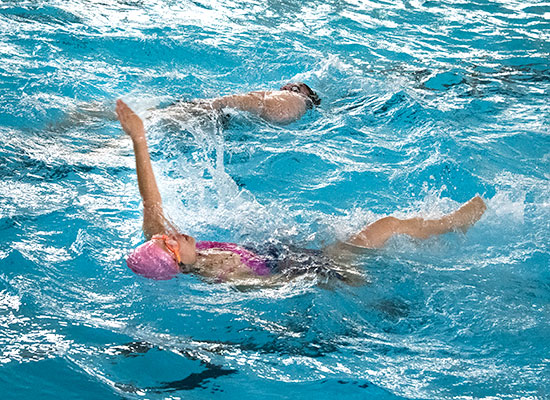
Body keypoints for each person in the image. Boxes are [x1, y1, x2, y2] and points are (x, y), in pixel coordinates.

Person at [116, 99, 486, 283]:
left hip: (293, 251)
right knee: (387, 225)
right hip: (319, 267)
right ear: (177, 262)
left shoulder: (169, 242)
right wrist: (340, 279)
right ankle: (455, 224)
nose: (172, 234)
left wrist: (139, 136)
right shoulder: (226, 274)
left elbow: (151, 200)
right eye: (169, 243)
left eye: (164, 236)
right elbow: (282, 288)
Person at [165, 82, 321, 125]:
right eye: (285, 86)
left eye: (295, 87)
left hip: (223, 115)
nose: (286, 88)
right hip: (230, 122)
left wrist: (218, 102)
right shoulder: (295, 105)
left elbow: (262, 104)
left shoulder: (297, 99)